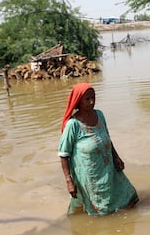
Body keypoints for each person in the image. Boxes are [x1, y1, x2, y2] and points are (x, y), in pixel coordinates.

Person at [58, 83, 138, 216]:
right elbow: (63, 154)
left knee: (130, 199)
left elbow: (107, 138)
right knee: (102, 210)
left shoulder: (99, 115)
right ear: (78, 101)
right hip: (91, 174)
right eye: (87, 99)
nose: (92, 102)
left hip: (109, 167)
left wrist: (116, 157)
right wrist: (69, 181)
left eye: (93, 98)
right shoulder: (73, 125)